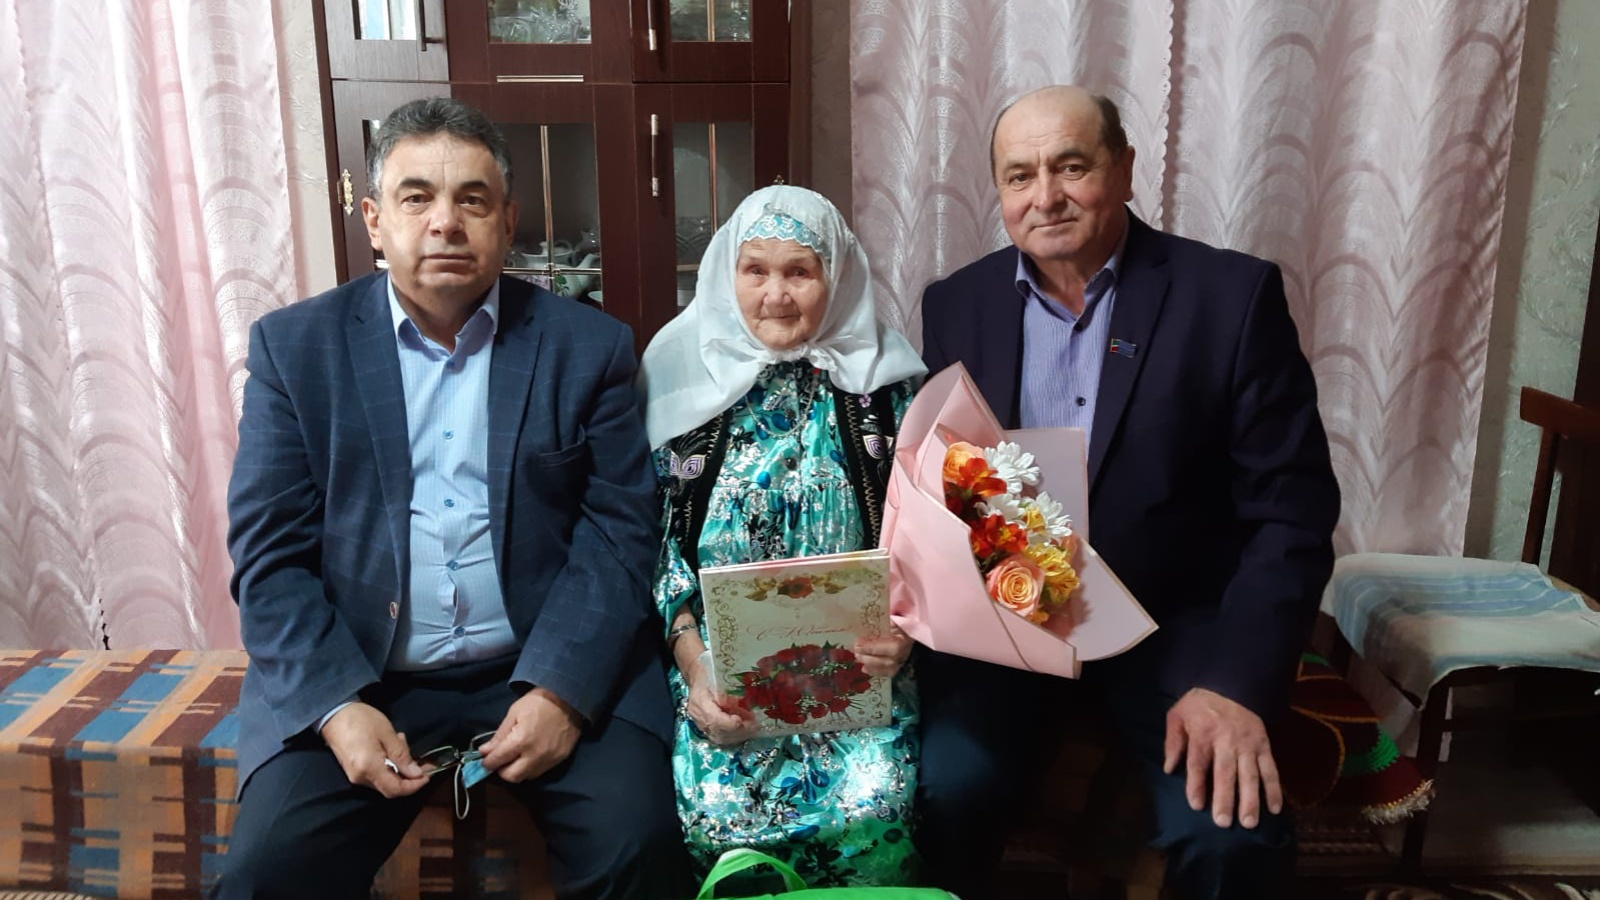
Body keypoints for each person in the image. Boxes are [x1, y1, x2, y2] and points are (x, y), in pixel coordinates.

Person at [217, 97, 685, 900]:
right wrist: (335, 705)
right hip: (366, 670)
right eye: (416, 198)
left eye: (473, 199)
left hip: (540, 660)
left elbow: (618, 535)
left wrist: (562, 690)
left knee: (637, 847)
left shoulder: (587, 347)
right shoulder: (296, 351)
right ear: (374, 220)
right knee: (267, 872)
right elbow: (268, 557)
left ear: (508, 221)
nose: (445, 222)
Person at [915, 85, 1342, 899]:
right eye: (1019, 176)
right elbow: (947, 483)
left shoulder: (1231, 297)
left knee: (1230, 835)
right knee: (942, 790)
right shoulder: (956, 306)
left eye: (1072, 166)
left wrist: (1237, 684)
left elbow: (1290, 514)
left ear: (1125, 169)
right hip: (1014, 620)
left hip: (1176, 625)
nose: (1045, 196)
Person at [636, 185, 929, 886]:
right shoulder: (679, 384)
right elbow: (654, 544)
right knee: (715, 818)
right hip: (720, 677)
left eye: (800, 271)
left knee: (875, 804)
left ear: (838, 277)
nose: (775, 294)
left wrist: (909, 630)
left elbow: (929, 542)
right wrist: (694, 666)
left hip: (860, 682)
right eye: (756, 270)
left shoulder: (887, 390)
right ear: (725, 274)